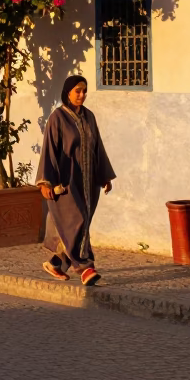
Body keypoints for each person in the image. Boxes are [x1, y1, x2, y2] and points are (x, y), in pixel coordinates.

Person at [36, 74, 116, 286]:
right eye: (77, 91)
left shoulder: (89, 117)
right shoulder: (57, 118)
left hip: (88, 182)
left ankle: (55, 264)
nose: (82, 95)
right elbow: (49, 151)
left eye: (84, 91)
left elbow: (97, 147)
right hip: (67, 182)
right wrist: (46, 182)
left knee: (78, 223)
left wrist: (104, 174)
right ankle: (85, 267)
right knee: (77, 221)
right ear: (68, 93)